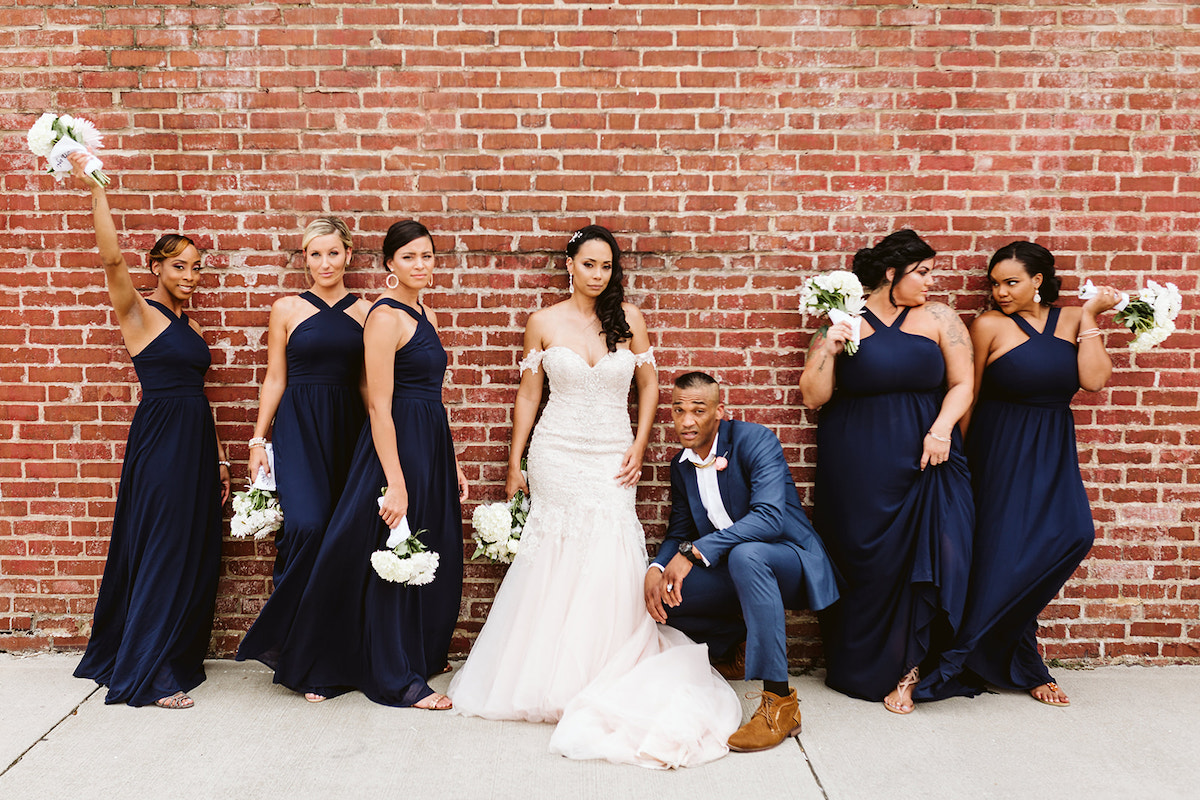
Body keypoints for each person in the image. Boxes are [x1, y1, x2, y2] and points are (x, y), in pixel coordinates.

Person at [449, 225, 741, 769]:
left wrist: (638, 443)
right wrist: (515, 462)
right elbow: (529, 394)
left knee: (608, 552)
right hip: (556, 452)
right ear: (570, 264)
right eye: (589, 265)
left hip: (611, 453)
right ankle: (542, 677)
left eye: (606, 267)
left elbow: (651, 386)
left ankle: (605, 667)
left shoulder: (628, 319)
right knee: (555, 555)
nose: (597, 275)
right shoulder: (543, 322)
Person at [266, 220, 467, 709]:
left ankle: (408, 655)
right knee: (392, 553)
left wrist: (452, 459)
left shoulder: (426, 315)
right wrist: (394, 482)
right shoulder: (383, 317)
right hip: (397, 445)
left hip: (429, 443)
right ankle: (396, 678)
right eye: (410, 258)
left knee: (433, 551)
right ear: (389, 265)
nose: (421, 266)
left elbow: (431, 396)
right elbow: (378, 404)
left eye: (428, 256)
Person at [913, 241, 1119, 707]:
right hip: (997, 449)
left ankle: (1006, 651)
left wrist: (1090, 318)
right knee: (1001, 555)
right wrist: (960, 461)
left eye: (1012, 282)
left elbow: (1094, 380)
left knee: (1074, 534)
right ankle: (1006, 661)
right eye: (995, 283)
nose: (1000, 292)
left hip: (1051, 447)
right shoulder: (988, 324)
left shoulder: (1071, 320)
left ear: (1038, 281)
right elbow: (968, 391)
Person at [67, 151, 231, 709]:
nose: (190, 276)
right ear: (157, 267)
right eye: (179, 266)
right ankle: (153, 671)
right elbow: (111, 261)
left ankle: (175, 652)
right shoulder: (137, 311)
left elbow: (202, 396)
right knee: (162, 546)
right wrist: (97, 191)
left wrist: (221, 458)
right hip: (160, 441)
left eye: (197, 267)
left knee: (192, 548)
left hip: (194, 441)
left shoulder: (190, 322)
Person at [799, 229, 974, 715]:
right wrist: (828, 348)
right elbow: (813, 396)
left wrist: (941, 430)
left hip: (926, 457)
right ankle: (857, 665)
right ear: (891, 274)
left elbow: (963, 383)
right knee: (861, 559)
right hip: (856, 462)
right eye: (922, 272)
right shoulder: (843, 319)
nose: (930, 282)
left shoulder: (939, 317)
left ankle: (911, 669)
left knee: (929, 557)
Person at [646, 372, 840, 751]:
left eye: (698, 410)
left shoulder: (755, 440)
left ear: (720, 410)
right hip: (733, 571)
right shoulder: (681, 465)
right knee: (662, 594)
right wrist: (656, 569)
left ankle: (780, 703)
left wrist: (696, 553)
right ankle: (735, 647)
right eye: (679, 409)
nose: (687, 420)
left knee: (746, 554)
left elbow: (770, 517)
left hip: (788, 562)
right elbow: (680, 529)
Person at [235, 217, 371, 682]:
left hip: (350, 429)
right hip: (299, 427)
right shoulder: (287, 308)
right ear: (305, 258)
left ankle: (330, 656)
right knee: (307, 527)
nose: (325, 263)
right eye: (315, 254)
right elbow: (275, 376)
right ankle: (291, 645)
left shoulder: (367, 311)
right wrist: (258, 438)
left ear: (348, 255)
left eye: (333, 253)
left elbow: (370, 384)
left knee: (343, 537)